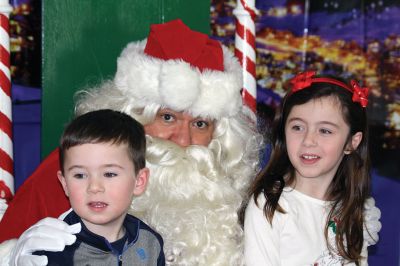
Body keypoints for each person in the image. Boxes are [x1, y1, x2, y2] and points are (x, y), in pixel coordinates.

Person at [0, 19, 261, 266]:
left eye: (200, 124)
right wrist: (14, 257)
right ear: (131, 115)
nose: (183, 140)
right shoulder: (77, 168)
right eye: (167, 117)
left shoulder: (233, 189)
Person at [244, 71, 381, 265]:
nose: (308, 141)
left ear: (352, 142)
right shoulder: (271, 205)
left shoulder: (354, 209)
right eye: (298, 127)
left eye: (325, 131)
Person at [33, 109, 165, 265]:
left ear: (139, 181)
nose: (94, 187)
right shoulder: (53, 250)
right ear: (65, 183)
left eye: (109, 174)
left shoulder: (149, 241)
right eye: (80, 175)